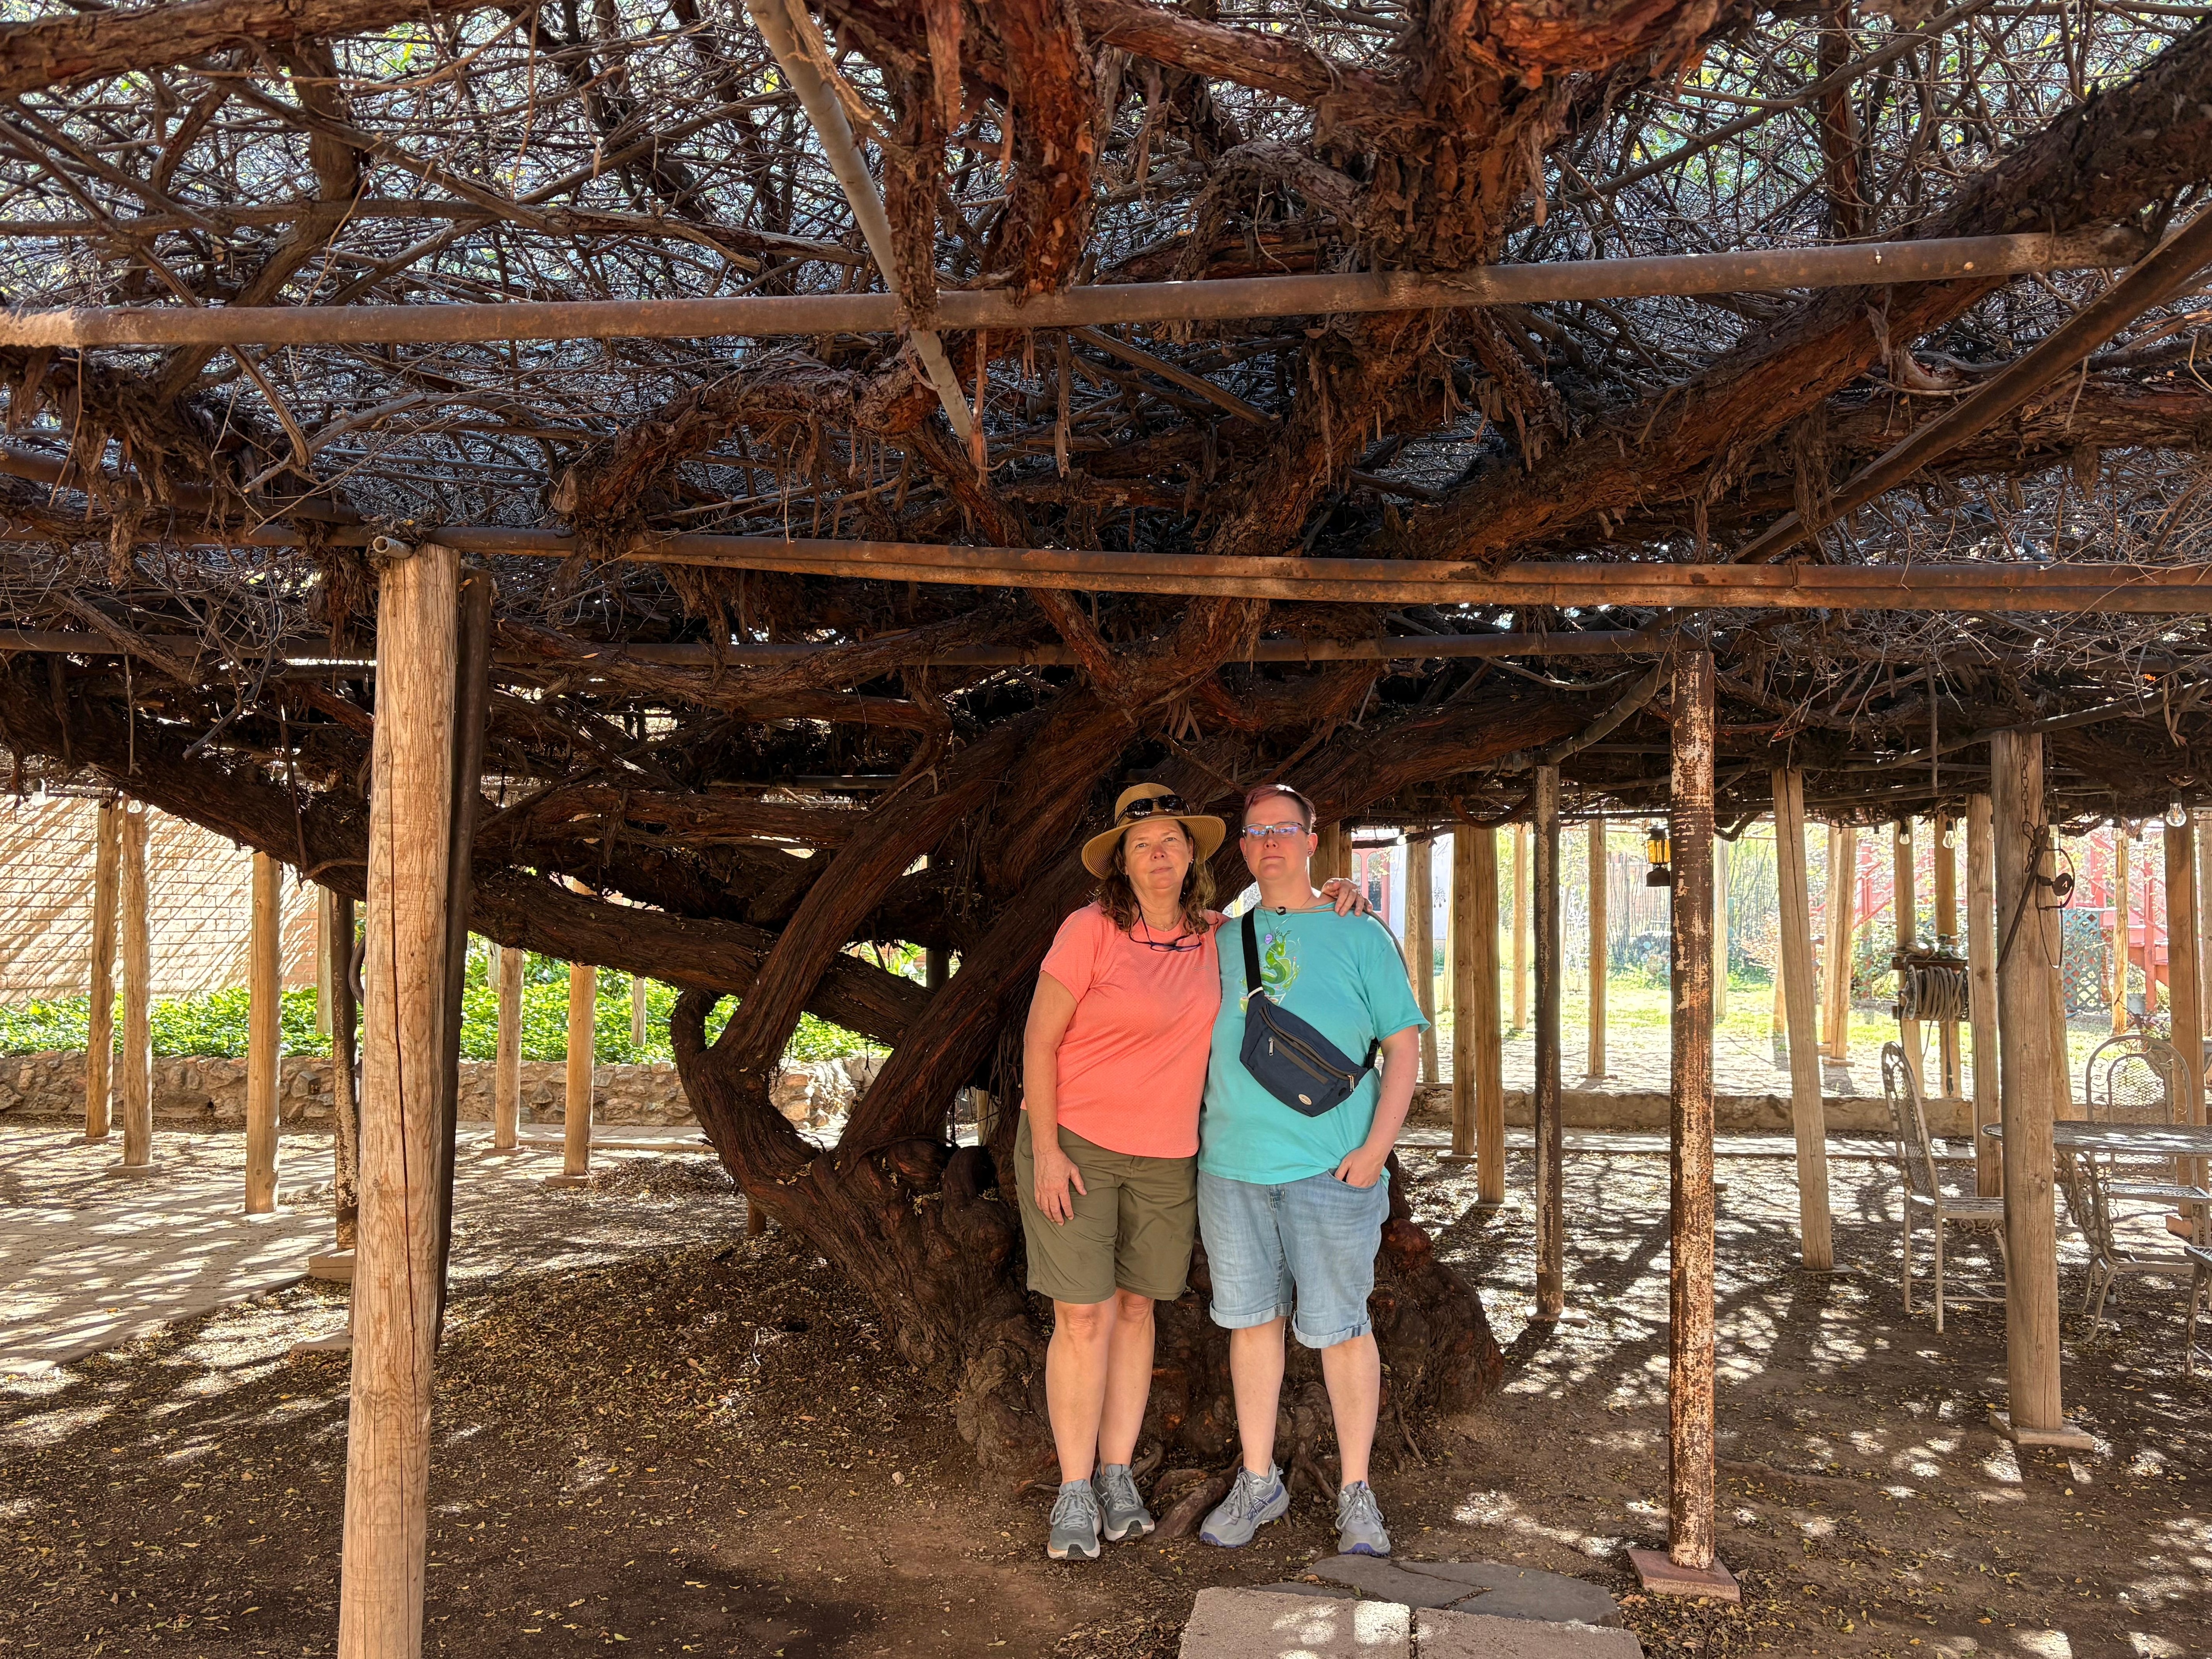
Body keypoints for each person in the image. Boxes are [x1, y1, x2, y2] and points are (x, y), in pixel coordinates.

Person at [1017, 782, 1367, 1562]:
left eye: (1171, 839)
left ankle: (1116, 1472)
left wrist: (1341, 890)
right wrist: (1045, 1147)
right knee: (1082, 1314)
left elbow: (1292, 921)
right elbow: (1038, 1042)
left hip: (1170, 1155)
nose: (1158, 853)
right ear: (1121, 862)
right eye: (1142, 843)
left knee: (1138, 1310)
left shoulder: (1219, 936)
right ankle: (1075, 1490)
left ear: (1193, 854)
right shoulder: (1089, 931)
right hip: (1075, 1143)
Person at [1195, 782, 1425, 1559]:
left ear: (1312, 840)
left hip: (1334, 1170)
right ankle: (1259, 1479)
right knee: (1251, 1323)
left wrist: (1375, 1149)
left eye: (1283, 830)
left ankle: (1358, 1491)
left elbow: (1403, 1049)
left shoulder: (1362, 932)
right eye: (1256, 833)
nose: (1269, 844)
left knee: (1342, 1328)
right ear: (1243, 848)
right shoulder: (1221, 939)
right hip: (1231, 1167)